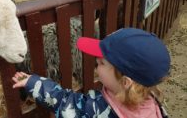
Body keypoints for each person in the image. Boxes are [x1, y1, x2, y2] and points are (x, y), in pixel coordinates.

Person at [12, 28, 170, 118]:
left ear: (125, 82)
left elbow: (64, 101)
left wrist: (33, 83)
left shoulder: (96, 109)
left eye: (101, 63)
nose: (96, 65)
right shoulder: (152, 102)